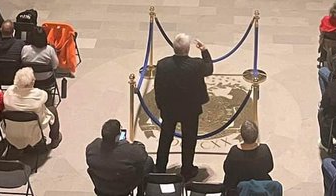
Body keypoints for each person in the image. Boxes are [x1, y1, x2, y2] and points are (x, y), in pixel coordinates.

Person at [153, 32, 214, 180]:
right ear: (188, 49)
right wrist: (204, 51)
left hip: (169, 109)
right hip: (190, 110)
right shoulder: (196, 65)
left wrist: (160, 106)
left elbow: (157, 87)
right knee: (189, 140)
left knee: (165, 138)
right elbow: (209, 69)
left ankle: (160, 168)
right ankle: (187, 169)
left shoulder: (162, 64)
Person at [86, 118, 152, 196]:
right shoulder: (128, 151)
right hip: (122, 189)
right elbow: (143, 156)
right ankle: (140, 193)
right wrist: (135, 144)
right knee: (148, 161)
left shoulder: (91, 148)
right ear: (117, 137)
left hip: (101, 187)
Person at [3, 66, 58, 149]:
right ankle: (55, 138)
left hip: (12, 131)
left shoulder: (8, 92)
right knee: (52, 110)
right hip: (33, 129)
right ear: (32, 82)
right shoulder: (39, 94)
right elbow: (46, 97)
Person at [222, 120, 274, 194]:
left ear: (242, 135)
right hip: (260, 187)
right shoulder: (264, 149)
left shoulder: (234, 151)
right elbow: (270, 167)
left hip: (238, 189)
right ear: (257, 135)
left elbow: (227, 169)